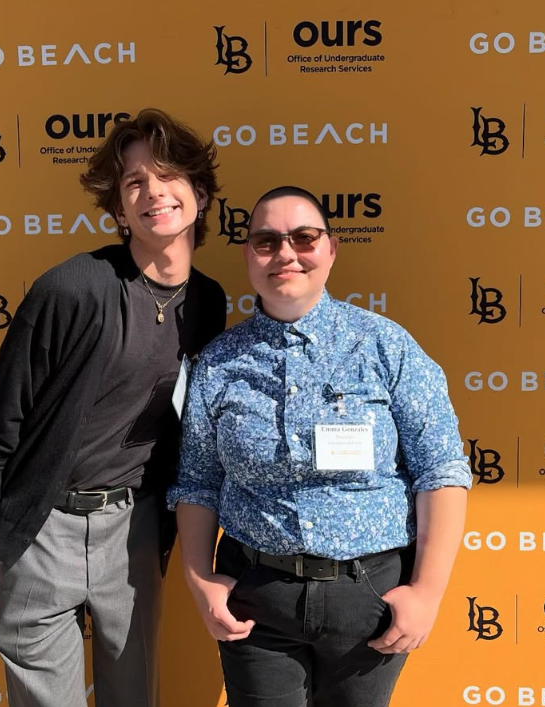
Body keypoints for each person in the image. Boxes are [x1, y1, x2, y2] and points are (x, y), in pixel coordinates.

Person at [0, 108, 227, 707]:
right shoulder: (72, 288)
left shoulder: (209, 301)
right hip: (41, 526)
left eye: (167, 177)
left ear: (200, 193)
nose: (153, 193)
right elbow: (4, 411)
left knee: (133, 695)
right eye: (135, 183)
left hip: (134, 527)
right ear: (118, 210)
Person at [169, 186, 471, 707]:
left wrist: (427, 593)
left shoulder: (386, 346)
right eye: (266, 242)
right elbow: (197, 481)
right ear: (249, 257)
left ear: (330, 250)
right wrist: (200, 580)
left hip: (369, 599)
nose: (285, 253)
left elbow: (440, 470)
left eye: (304, 238)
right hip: (257, 601)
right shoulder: (218, 363)